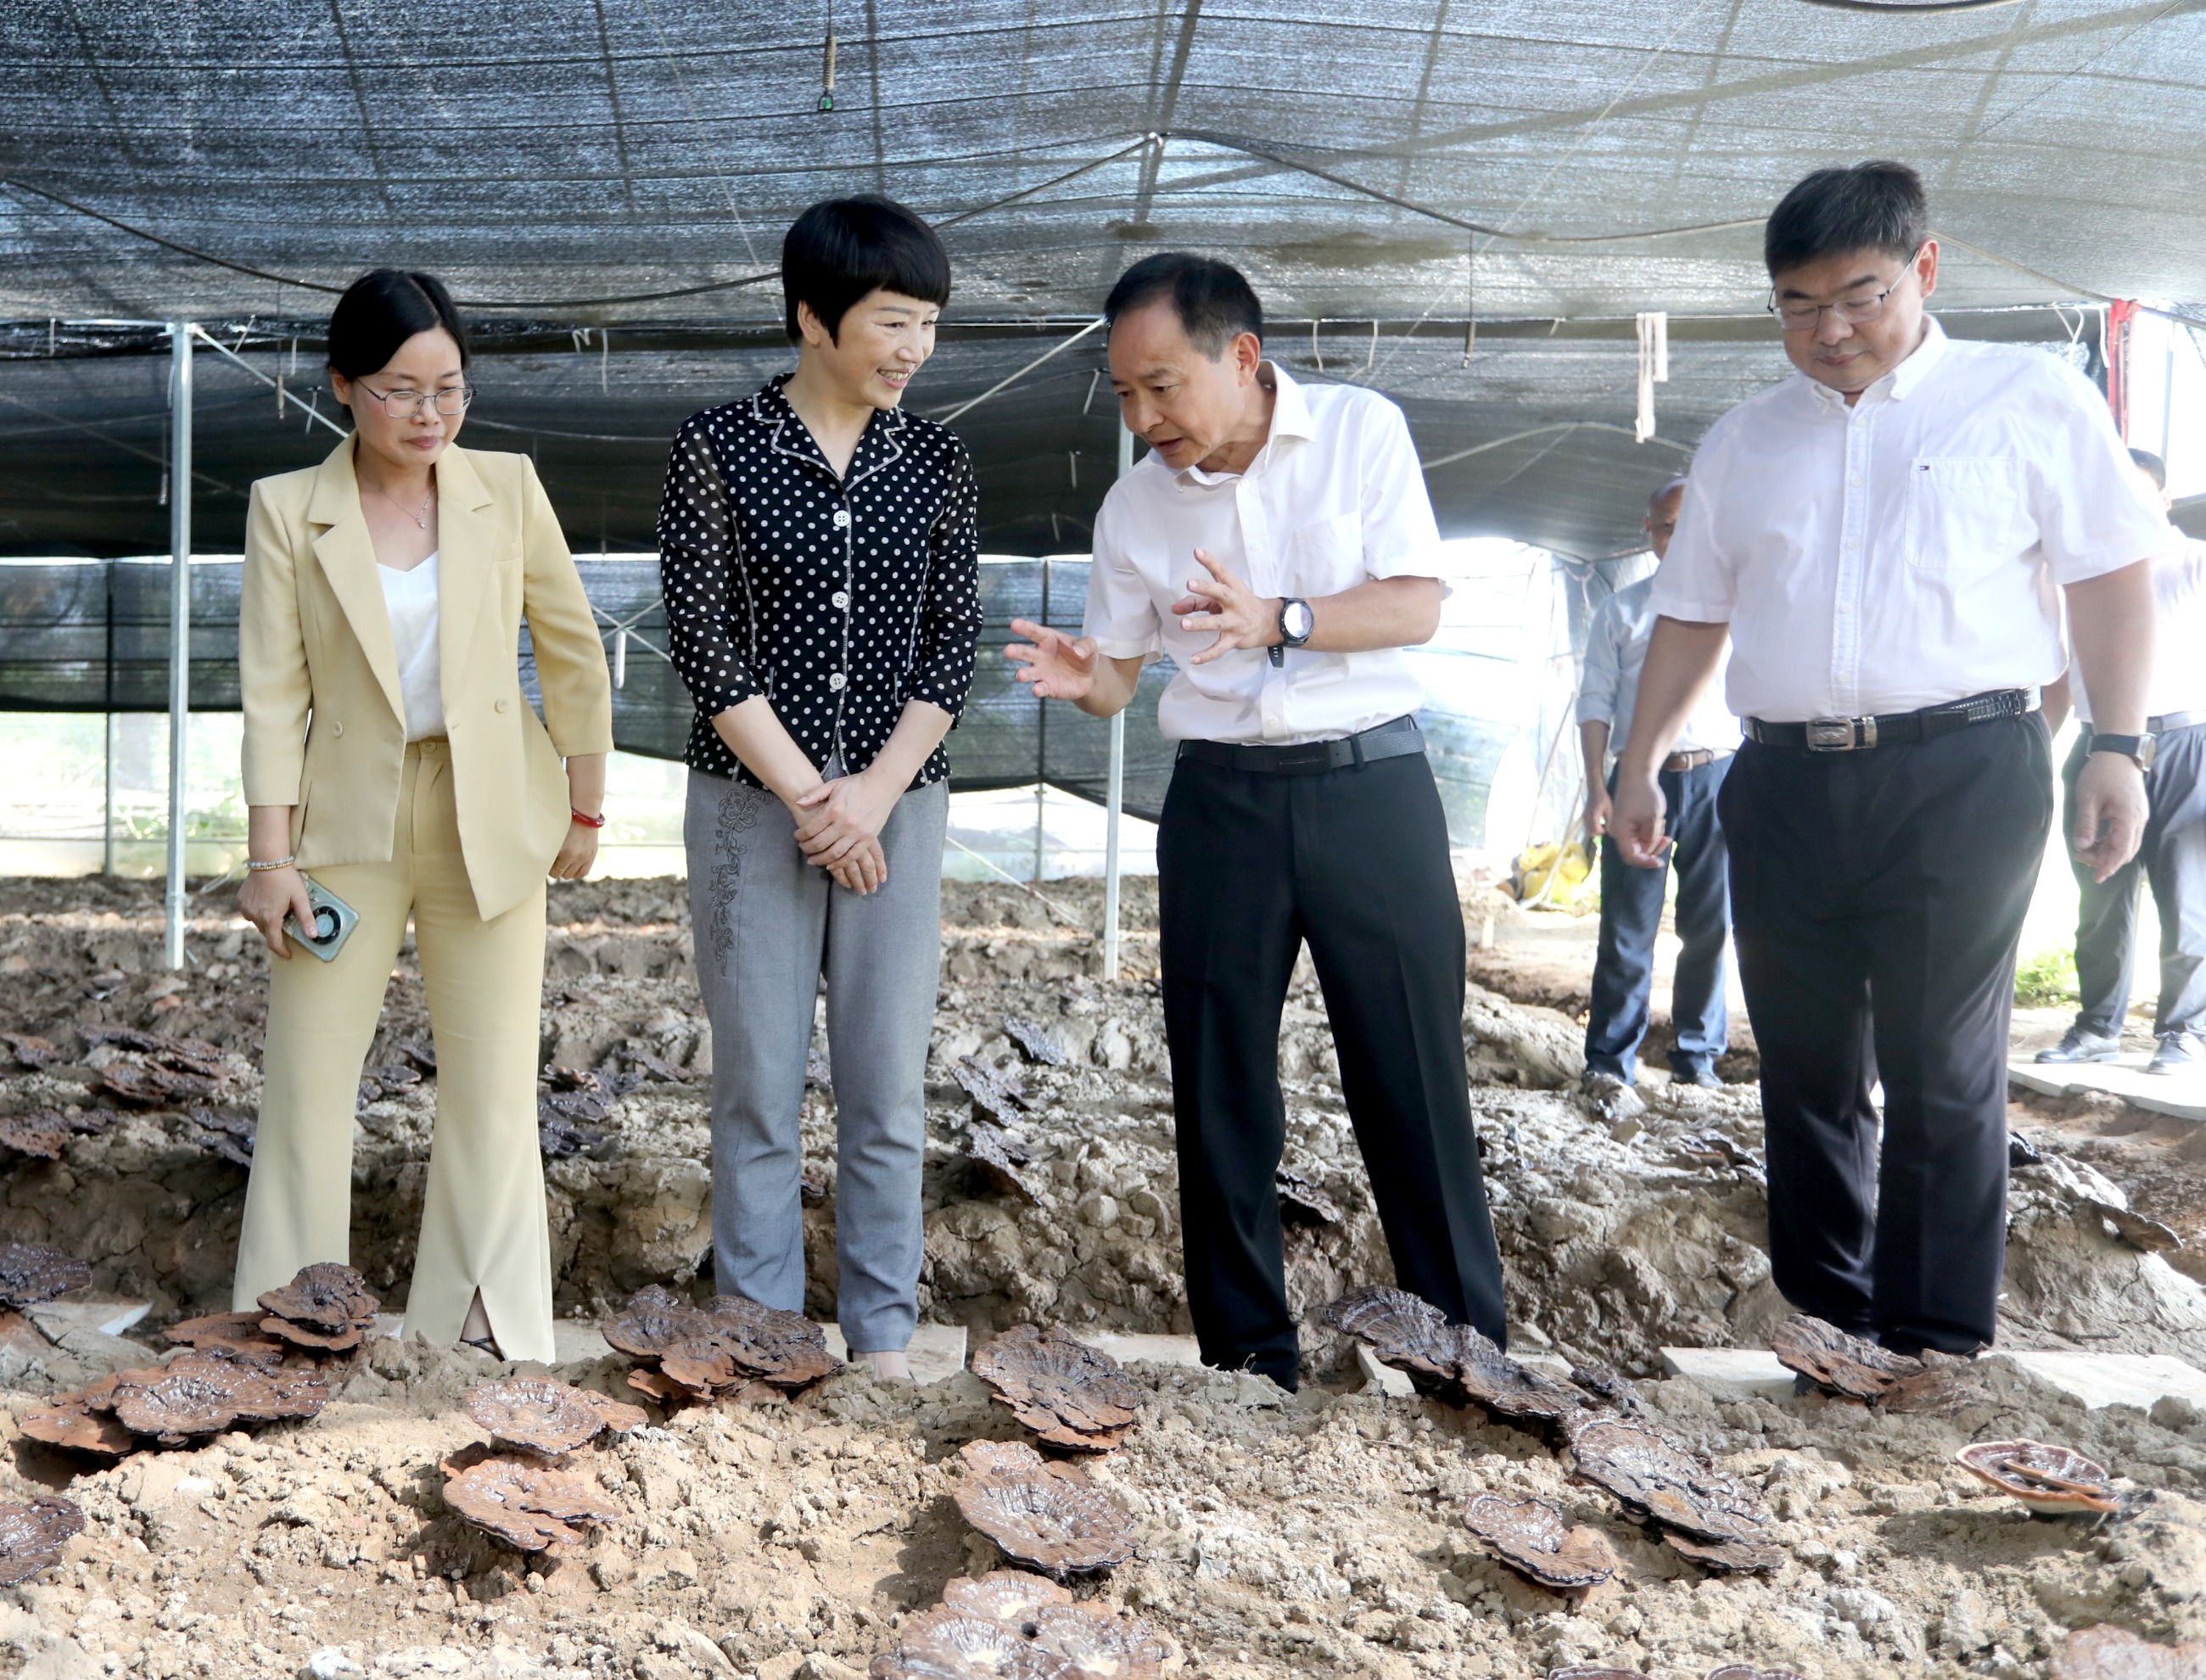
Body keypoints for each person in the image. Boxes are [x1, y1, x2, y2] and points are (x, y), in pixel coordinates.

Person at [1610, 161, 2162, 1358]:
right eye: (1799, 305)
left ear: (1924, 268)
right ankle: (1831, 1328)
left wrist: (2116, 743)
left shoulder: (2024, 398)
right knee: (1804, 1065)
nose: (1832, 330)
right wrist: (1642, 758)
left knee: (1940, 1062)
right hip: (1785, 777)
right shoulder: (1746, 441)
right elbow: (1693, 612)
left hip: (1965, 770)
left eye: (1859, 295)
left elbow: (2111, 572)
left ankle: (1935, 1340)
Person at [1006, 252, 1508, 1390]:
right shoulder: (1133, 505)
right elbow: (1121, 680)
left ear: (1242, 356)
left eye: (1163, 386)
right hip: (1222, 801)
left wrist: (1279, 617)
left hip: (1371, 788)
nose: (1143, 419)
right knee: (1221, 1085)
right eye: (1124, 394)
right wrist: (1087, 674)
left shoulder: (1359, 432)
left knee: (1412, 1080)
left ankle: (1467, 1356)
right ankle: (1248, 1360)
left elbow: (1414, 605)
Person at [234, 269, 614, 1363]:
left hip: (489, 807)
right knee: (308, 1080)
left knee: (493, 1084)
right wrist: (270, 856)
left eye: (449, 388)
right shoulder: (286, 510)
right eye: (401, 390)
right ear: (343, 387)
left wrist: (585, 805)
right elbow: (273, 691)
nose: (430, 415)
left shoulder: (507, 485)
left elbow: (571, 647)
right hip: (343, 820)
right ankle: (285, 1324)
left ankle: (482, 1331)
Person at [657, 197, 981, 1382]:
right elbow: (702, 639)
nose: (914, 350)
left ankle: (884, 1338)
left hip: (900, 804)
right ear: (812, 316)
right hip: (753, 805)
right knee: (755, 1083)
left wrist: (873, 796)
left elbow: (953, 644)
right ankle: (761, 1335)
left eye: (929, 326)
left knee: (885, 1083)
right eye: (894, 322)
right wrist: (811, 800)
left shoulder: (938, 461)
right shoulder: (719, 447)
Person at [2036, 448, 2206, 1075]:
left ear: (2163, 499)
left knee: (2188, 897)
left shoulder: (2194, 564)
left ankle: (2186, 1031)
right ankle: (2096, 1026)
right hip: (2097, 743)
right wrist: (2034, 749)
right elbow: (2056, 671)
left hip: (2186, 744)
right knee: (2099, 895)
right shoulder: (2074, 578)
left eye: (2137, 493)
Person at [1576, 479, 1738, 1118]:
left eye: (1688, 523)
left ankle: (1697, 1059)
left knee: (1710, 925)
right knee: (1627, 926)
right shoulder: (1623, 612)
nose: (1679, 536)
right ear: (1649, 533)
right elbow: (1593, 704)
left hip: (1720, 776)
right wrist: (1596, 787)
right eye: (1665, 526)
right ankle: (1610, 1063)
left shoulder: (1737, 608)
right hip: (1639, 779)